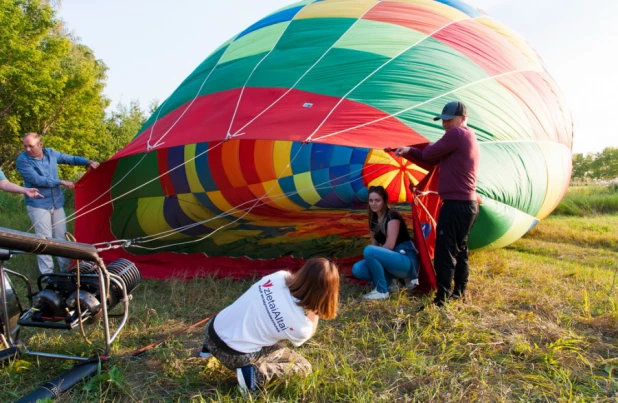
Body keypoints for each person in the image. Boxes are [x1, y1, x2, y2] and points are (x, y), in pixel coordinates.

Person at [199, 257, 339, 395]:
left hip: (212, 331)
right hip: (233, 355)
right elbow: (308, 332)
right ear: (326, 293)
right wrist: (317, 309)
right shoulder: (301, 326)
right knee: (303, 367)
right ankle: (252, 376)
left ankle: (206, 350)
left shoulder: (279, 276)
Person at [394, 100, 480, 306]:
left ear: (463, 118)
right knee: (460, 250)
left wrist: (410, 149)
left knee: (445, 251)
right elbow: (432, 158)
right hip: (468, 205)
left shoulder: (457, 134)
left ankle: (441, 298)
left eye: (450, 120)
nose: (446, 124)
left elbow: (429, 155)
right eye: (443, 120)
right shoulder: (468, 136)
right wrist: (410, 150)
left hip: (456, 205)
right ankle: (459, 292)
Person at [16, 132, 100, 274]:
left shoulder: (51, 154)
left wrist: (88, 162)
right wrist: (60, 181)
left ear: (40, 145)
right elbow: (37, 180)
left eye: (30, 146)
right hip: (38, 205)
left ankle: (66, 271)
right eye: (25, 146)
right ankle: (47, 274)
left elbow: (70, 159)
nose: (27, 149)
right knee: (44, 240)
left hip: (56, 203)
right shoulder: (22, 160)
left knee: (62, 237)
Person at [352, 185, 420, 300]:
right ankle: (391, 283)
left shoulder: (392, 215)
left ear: (384, 201)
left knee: (369, 250)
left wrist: (375, 255)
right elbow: (374, 246)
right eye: (371, 200)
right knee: (357, 269)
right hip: (390, 262)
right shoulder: (373, 221)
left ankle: (381, 290)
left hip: (404, 260)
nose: (373, 203)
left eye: (377, 200)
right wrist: (374, 258)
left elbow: (389, 245)